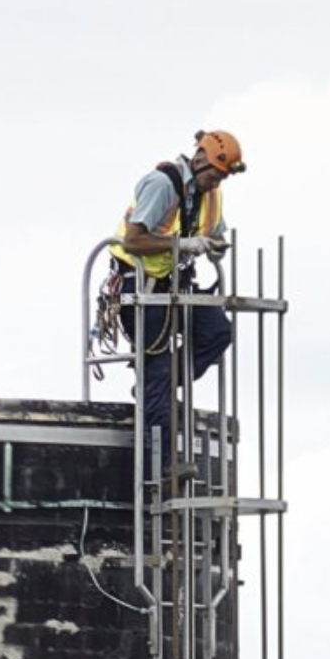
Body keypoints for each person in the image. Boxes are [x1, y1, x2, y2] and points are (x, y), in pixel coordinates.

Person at [106, 129, 246, 483]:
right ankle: (163, 467)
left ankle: (166, 380)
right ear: (199, 160)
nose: (216, 183)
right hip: (139, 286)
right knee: (155, 371)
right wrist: (182, 246)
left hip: (175, 284)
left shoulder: (212, 195)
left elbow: (213, 232)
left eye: (222, 177)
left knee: (216, 333)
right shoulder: (162, 184)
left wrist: (213, 245)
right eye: (214, 175)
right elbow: (134, 240)